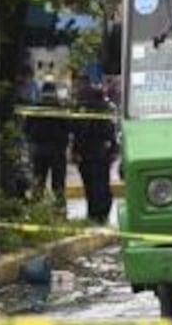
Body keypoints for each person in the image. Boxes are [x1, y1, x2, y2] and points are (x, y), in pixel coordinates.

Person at [72, 84, 118, 224]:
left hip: (88, 153)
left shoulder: (84, 111)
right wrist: (113, 150)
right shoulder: (106, 109)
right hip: (101, 153)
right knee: (101, 184)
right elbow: (111, 133)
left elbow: (79, 134)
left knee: (91, 185)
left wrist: (76, 151)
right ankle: (101, 212)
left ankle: (94, 213)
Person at [25, 82, 70, 210]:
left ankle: (35, 208)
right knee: (58, 181)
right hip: (57, 149)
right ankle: (60, 206)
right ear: (54, 92)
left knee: (38, 179)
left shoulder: (35, 107)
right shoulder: (61, 107)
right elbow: (69, 126)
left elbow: (26, 128)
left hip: (38, 148)